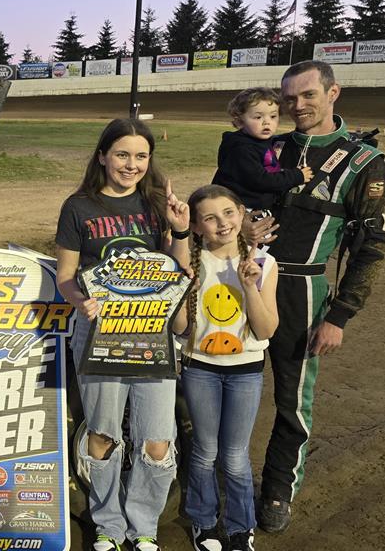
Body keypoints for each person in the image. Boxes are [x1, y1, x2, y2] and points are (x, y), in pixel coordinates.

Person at [250, 60, 385, 533]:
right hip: (244, 281)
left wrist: (340, 316)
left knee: (291, 400)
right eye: (289, 98)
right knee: (211, 384)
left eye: (307, 95)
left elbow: (371, 247)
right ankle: (201, 474)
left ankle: (276, 491)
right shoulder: (266, 146)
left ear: (334, 94)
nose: (297, 105)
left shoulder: (364, 162)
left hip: (303, 291)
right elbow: (222, 200)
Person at [54, 118, 190, 551]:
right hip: (99, 336)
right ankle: (109, 525)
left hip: (152, 336)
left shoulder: (155, 205)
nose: (131, 165)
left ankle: (143, 523)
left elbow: (179, 271)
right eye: (122, 154)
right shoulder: (78, 207)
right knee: (103, 434)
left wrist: (181, 229)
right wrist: (81, 301)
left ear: (150, 161)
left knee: (156, 439)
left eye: (141, 156)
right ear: (103, 156)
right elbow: (65, 277)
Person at [171, 185, 279, 551]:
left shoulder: (264, 263)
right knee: (204, 450)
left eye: (229, 213)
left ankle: (239, 526)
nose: (222, 224)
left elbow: (265, 330)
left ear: (242, 213)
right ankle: (203, 523)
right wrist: (183, 288)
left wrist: (249, 286)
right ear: (198, 227)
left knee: (234, 456)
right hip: (200, 368)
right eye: (210, 218)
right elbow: (181, 329)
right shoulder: (192, 263)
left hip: (246, 370)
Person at [212, 87, 313, 212]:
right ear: (240, 121)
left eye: (273, 116)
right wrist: (297, 175)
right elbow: (261, 180)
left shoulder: (260, 141)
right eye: (258, 117)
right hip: (241, 207)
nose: (267, 122)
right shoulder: (241, 149)